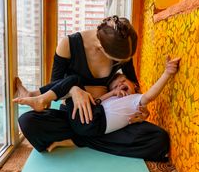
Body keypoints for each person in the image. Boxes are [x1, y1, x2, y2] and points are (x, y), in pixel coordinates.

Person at [17, 15, 170, 161]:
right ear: (100, 47)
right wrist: (74, 91)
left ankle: (78, 139)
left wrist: (141, 111)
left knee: (158, 139)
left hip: (106, 119)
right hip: (74, 116)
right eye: (117, 60)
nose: (122, 63)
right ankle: (81, 136)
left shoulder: (122, 48)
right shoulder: (68, 45)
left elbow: (135, 89)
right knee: (28, 121)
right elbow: (55, 88)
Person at [14, 57, 180, 152]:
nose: (119, 87)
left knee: (159, 138)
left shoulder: (136, 99)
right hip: (90, 119)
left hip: (94, 123)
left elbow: (150, 95)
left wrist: (167, 73)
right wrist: (110, 93)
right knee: (27, 121)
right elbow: (98, 103)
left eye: (123, 82)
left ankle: (40, 98)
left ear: (135, 86)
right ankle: (40, 99)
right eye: (115, 86)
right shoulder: (115, 98)